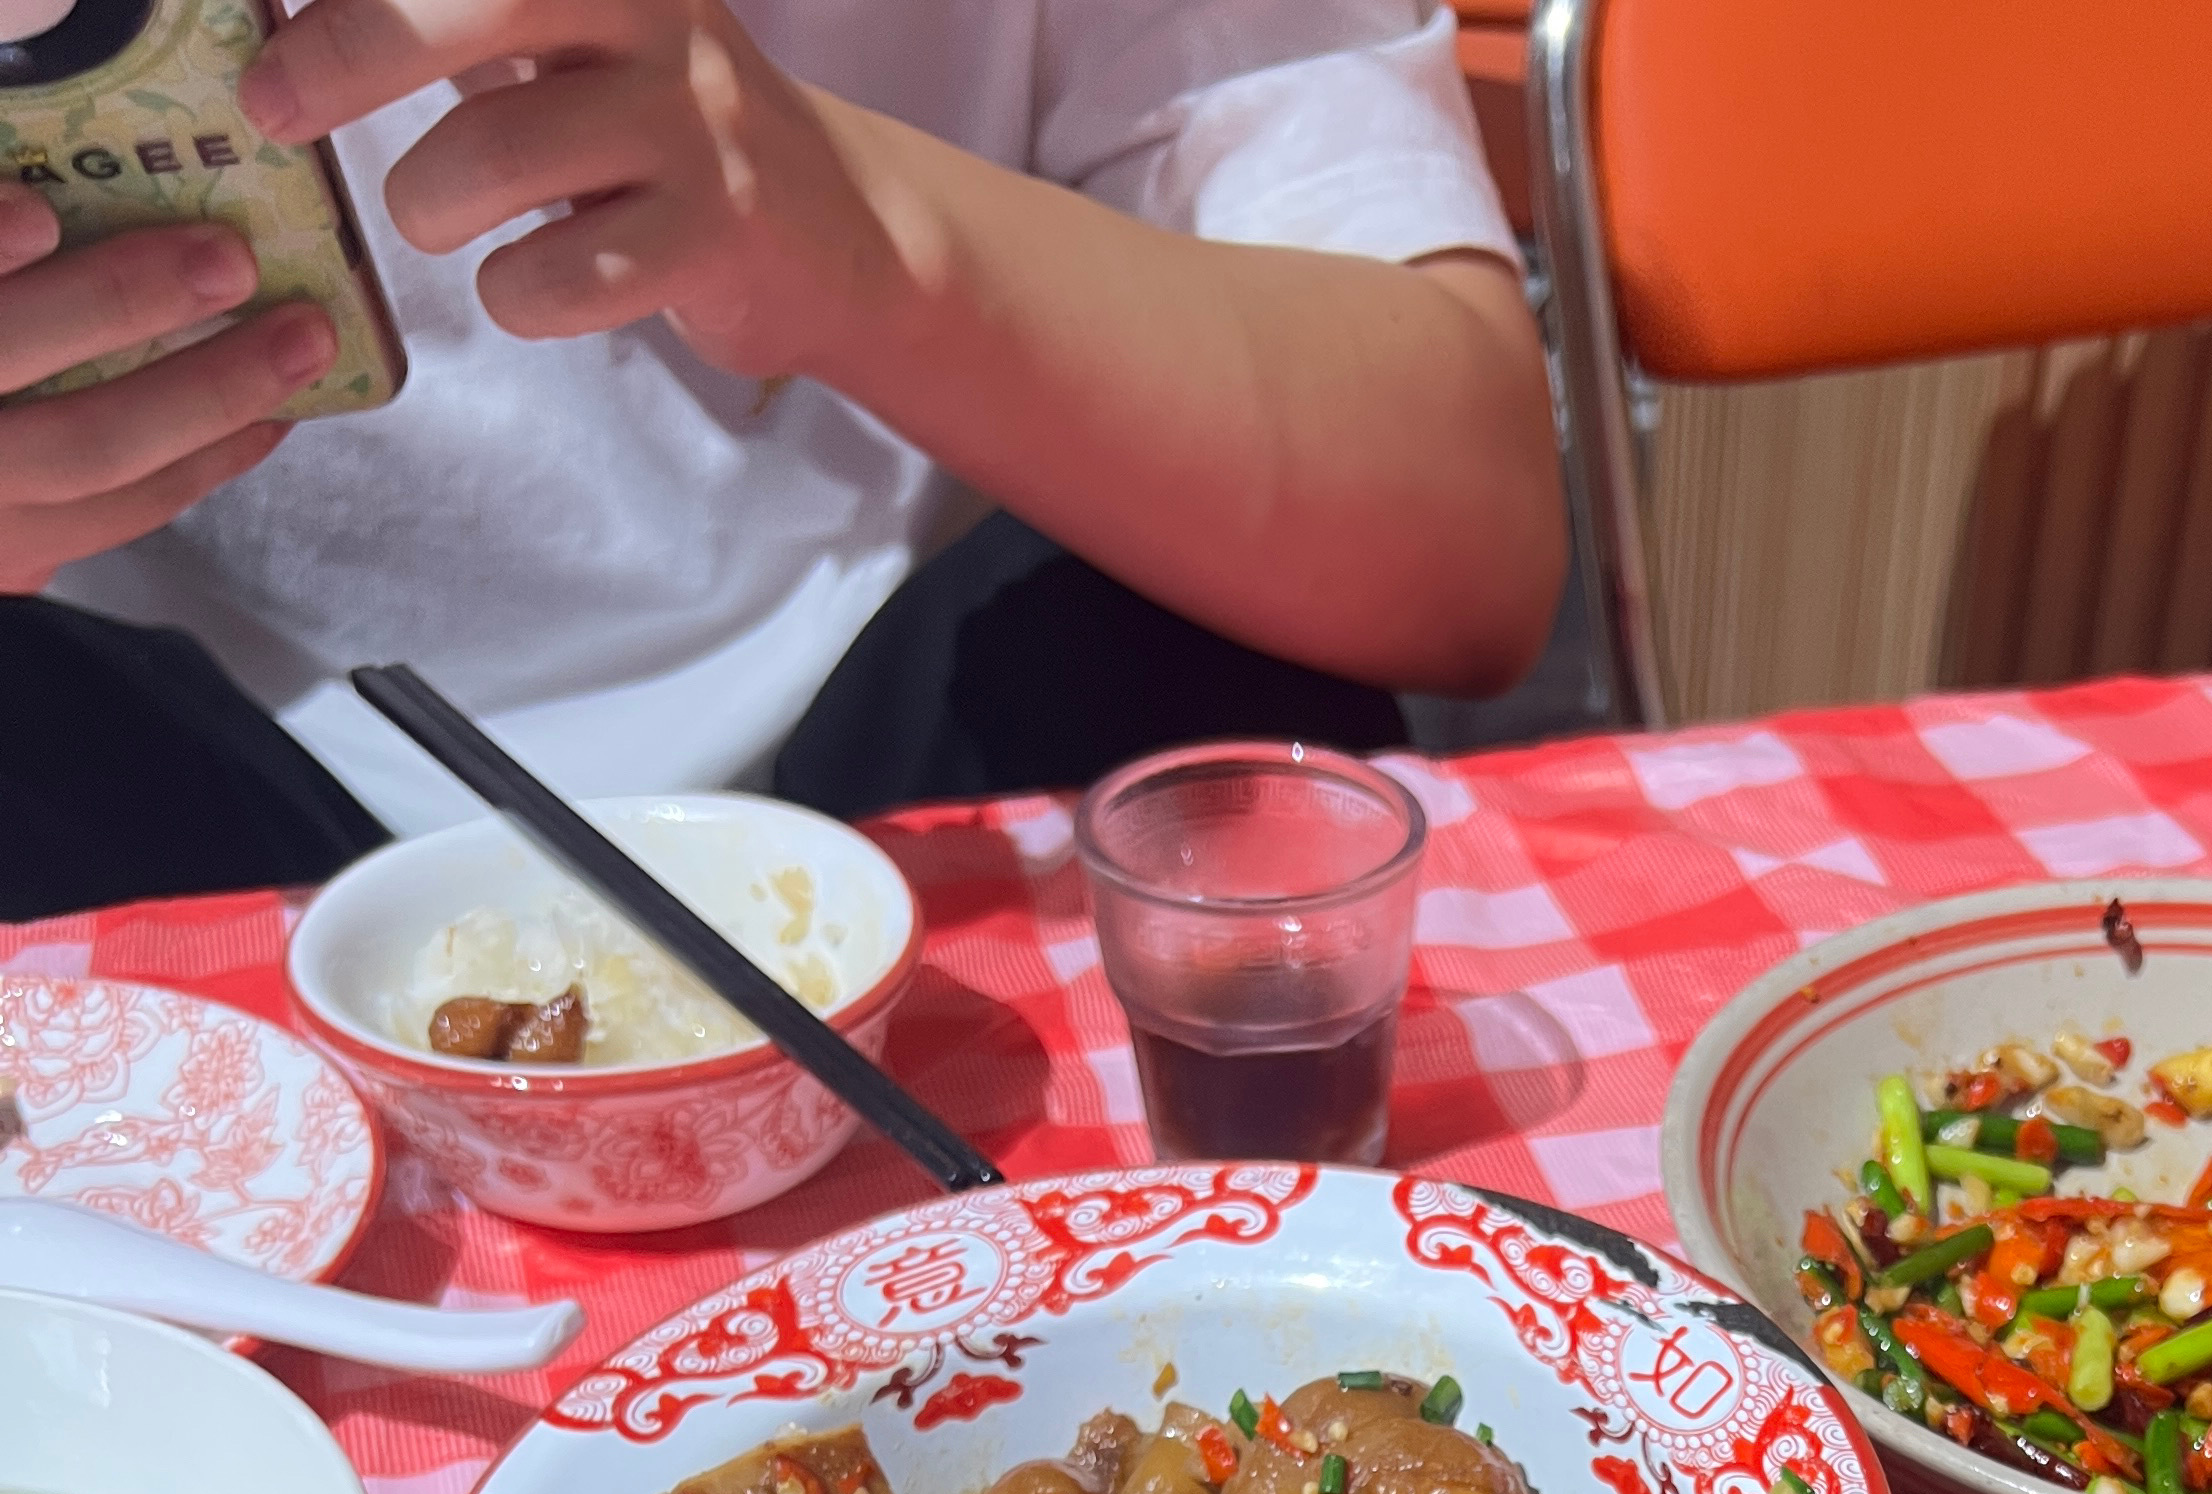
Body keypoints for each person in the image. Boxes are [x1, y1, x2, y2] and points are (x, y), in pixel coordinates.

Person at [0, 0, 1566, 913]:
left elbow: (1465, 539)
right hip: (157, 798)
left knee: (1184, 687)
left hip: (952, 752)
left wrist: (861, 236)